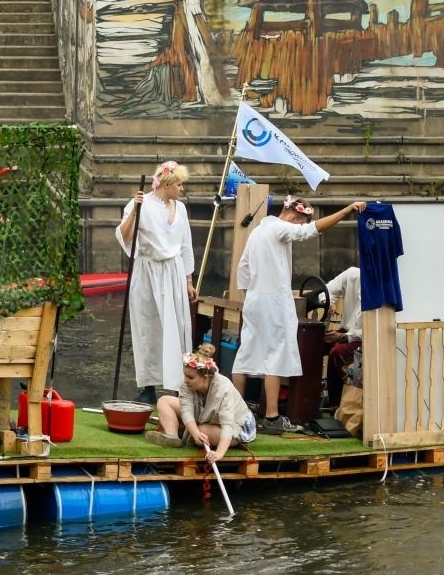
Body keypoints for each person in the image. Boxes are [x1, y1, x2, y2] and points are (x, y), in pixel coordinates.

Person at [232, 196, 366, 434]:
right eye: (301, 220)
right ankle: (271, 416)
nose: (299, 226)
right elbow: (311, 231)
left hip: (253, 300)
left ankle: (236, 412)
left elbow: (243, 269)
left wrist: (252, 297)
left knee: (245, 354)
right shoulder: (282, 228)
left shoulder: (257, 232)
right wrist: (346, 209)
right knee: (273, 356)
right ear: (295, 215)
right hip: (274, 302)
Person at [117, 161, 197, 404]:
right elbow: (125, 236)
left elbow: (185, 245)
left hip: (173, 271)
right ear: (168, 184)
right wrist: (134, 211)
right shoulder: (140, 204)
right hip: (147, 270)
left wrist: (188, 280)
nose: (182, 189)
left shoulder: (180, 209)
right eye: (180, 184)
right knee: (147, 327)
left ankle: (178, 385)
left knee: (177, 327)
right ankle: (148, 386)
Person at [145, 343, 255, 458]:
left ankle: (185, 431)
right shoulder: (187, 385)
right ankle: (172, 436)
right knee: (164, 401)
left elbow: (227, 425)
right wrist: (194, 432)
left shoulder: (224, 389)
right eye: (185, 376)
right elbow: (186, 411)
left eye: (190, 377)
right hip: (203, 415)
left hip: (236, 424)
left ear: (205, 378)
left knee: (202, 431)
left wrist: (219, 453)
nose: (186, 380)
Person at [322, 266, 363, 411]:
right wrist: (327, 303)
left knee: (337, 352)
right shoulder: (352, 274)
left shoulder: (380, 289)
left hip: (363, 338)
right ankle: (312, 396)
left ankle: (337, 404)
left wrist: (344, 337)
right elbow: (326, 290)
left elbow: (370, 332)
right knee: (316, 345)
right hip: (347, 331)